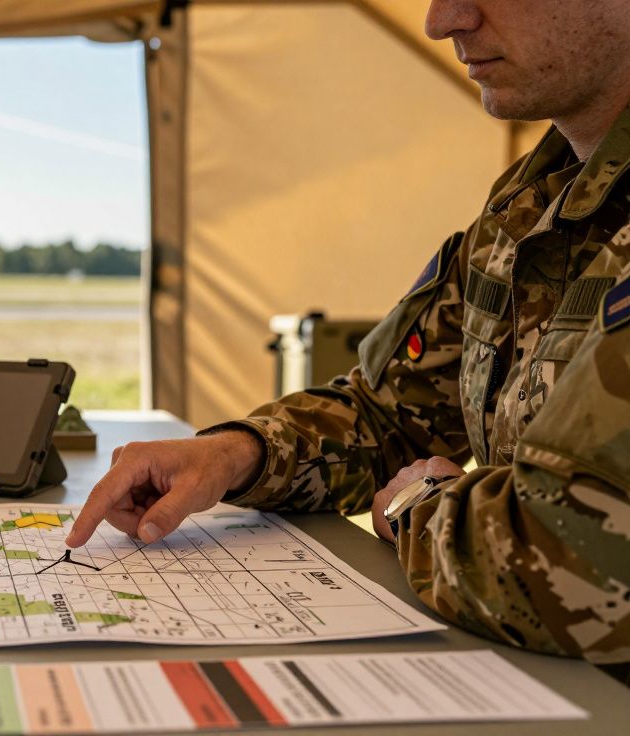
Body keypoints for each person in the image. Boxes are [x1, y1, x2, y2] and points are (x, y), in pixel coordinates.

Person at [68, 0, 630, 667]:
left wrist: (420, 505)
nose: (442, 20)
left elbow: (584, 565)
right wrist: (233, 454)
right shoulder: (532, 199)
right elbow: (389, 410)